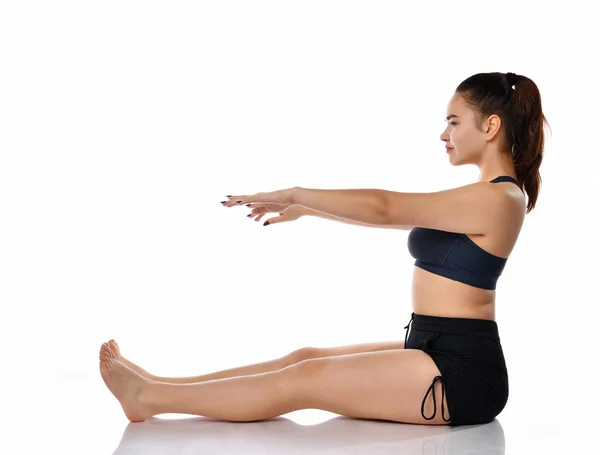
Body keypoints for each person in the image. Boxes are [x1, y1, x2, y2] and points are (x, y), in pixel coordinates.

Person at [99, 71, 550, 426]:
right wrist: (311, 212)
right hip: (428, 343)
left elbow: (385, 206)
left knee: (305, 380)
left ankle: (150, 399)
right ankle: (157, 384)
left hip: (463, 373)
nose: (443, 133)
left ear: (490, 126)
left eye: (453, 121)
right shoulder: (476, 197)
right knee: (305, 358)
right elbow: (389, 215)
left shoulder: (500, 198)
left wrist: (297, 193)